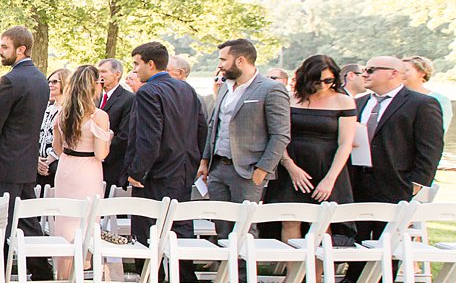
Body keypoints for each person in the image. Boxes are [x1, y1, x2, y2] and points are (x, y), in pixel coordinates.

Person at [346, 55, 444, 274]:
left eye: (371, 70)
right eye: (364, 70)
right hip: (357, 177)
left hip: (396, 179)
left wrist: (418, 182)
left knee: (388, 235)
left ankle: (383, 281)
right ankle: (354, 277)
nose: (365, 74)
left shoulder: (421, 103)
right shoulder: (359, 102)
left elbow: (430, 146)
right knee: (357, 229)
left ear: (393, 73)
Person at [199, 38, 292, 239]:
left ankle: (243, 271)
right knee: (221, 227)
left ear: (241, 60)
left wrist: (262, 170)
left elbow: (280, 134)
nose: (220, 65)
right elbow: (215, 125)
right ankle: (224, 270)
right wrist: (206, 160)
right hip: (218, 169)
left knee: (243, 231)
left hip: (248, 172)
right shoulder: (224, 87)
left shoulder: (270, 89)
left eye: (224, 59)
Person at [265, 54, 358, 245]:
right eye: (318, 80)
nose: (323, 85)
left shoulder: (343, 101)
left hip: (326, 166)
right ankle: (294, 274)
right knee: (290, 220)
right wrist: (290, 166)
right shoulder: (290, 99)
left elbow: (345, 143)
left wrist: (330, 179)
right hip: (292, 164)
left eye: (328, 80)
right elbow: (278, 135)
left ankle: (316, 274)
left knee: (323, 224)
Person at [125, 42, 207, 251]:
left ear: (150, 64)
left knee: (147, 228)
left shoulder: (147, 92)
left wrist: (137, 171)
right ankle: (183, 277)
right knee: (179, 227)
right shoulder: (187, 89)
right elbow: (201, 129)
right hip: (183, 168)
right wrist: (194, 160)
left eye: (137, 64)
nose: (135, 69)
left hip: (155, 172)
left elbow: (149, 137)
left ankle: (151, 278)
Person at [0, 26, 49, 255]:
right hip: (26, 163)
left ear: (21, 49)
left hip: (2, 164)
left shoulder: (10, 80)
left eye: (4, 47)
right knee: (27, 220)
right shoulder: (41, 80)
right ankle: (40, 268)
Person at [51, 65, 111, 280]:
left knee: (65, 220)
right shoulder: (99, 116)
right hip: (88, 171)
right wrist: (109, 138)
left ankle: (62, 276)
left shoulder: (62, 113)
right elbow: (101, 153)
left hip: (66, 167)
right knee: (85, 219)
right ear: (92, 86)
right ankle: (78, 272)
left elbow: (57, 148)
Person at [96, 59, 133, 195]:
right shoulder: (95, 97)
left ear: (117, 74)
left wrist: (103, 152)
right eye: (98, 71)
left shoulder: (128, 99)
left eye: (104, 72)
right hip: (93, 162)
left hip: (112, 162)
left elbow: (125, 135)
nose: (100, 75)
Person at [36, 68, 70, 194]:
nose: (50, 84)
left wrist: (49, 160)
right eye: (49, 81)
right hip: (40, 160)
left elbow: (67, 138)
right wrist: (38, 159)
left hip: (57, 163)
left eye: (55, 81)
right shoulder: (48, 108)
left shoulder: (68, 109)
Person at [401, 56, 452, 135]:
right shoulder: (392, 97)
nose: (401, 74)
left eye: (406, 70)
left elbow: (440, 130)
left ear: (422, 73)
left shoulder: (440, 100)